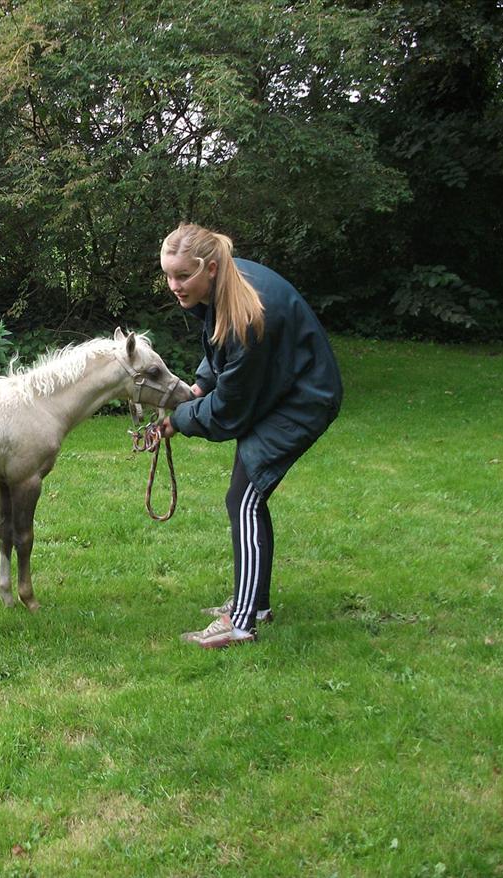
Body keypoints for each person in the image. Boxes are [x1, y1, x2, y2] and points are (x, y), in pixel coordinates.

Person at [158, 223, 343, 648]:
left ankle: (241, 622)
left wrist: (179, 419)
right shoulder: (220, 286)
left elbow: (229, 412)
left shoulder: (246, 313)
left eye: (183, 276)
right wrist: (200, 386)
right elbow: (216, 347)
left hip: (302, 400)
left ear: (210, 267)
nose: (174, 286)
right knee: (246, 497)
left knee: (244, 497)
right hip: (277, 390)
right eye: (168, 275)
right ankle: (254, 602)